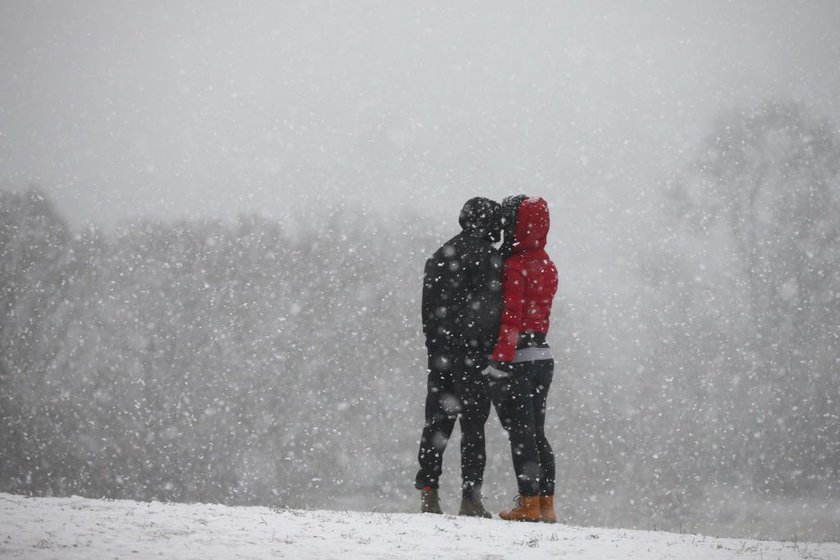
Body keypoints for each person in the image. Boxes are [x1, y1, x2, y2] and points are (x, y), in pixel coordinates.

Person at [415, 197, 503, 517]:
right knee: (473, 426)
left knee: (437, 424)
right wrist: (484, 351)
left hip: (440, 353)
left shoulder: (441, 255)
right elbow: (489, 311)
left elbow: (428, 309)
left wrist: (436, 346)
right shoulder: (489, 258)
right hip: (472, 355)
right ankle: (470, 497)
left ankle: (429, 492)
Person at [485, 195, 559, 523]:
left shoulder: (515, 265)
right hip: (544, 356)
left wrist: (500, 359)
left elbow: (512, 316)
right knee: (538, 432)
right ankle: (546, 503)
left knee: (521, 434)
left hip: (521, 359)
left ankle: (527, 503)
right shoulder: (547, 263)